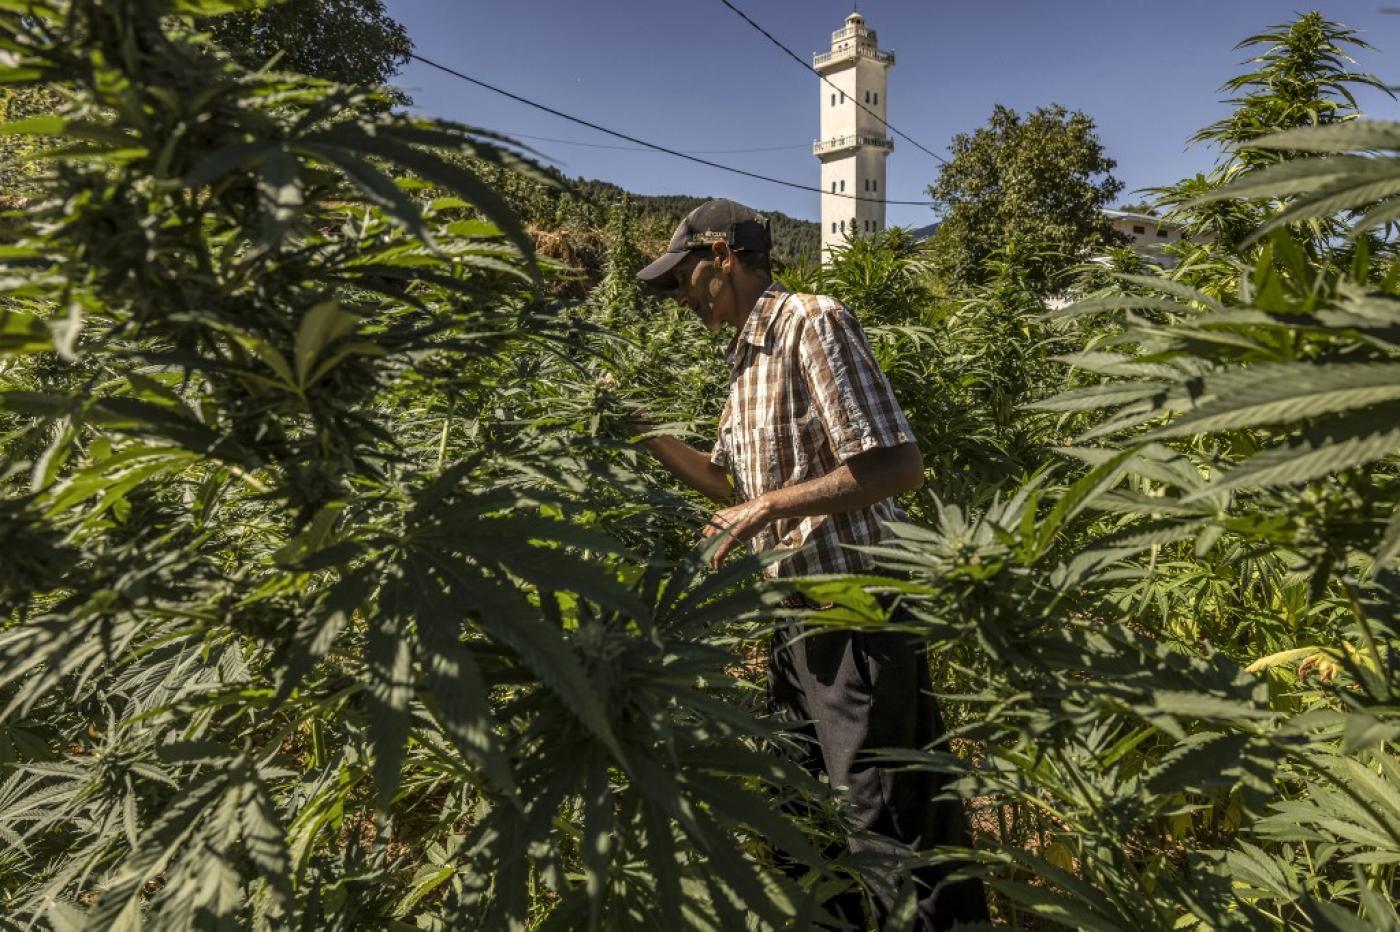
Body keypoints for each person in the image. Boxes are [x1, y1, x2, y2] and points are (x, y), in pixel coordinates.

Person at [631, 199, 988, 930]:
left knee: (882, 815)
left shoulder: (812, 323)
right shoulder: (745, 361)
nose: (681, 298)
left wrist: (769, 510)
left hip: (856, 607)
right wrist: (644, 435)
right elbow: (734, 484)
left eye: (687, 277)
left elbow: (895, 465)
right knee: (802, 812)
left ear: (723, 256)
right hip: (792, 618)